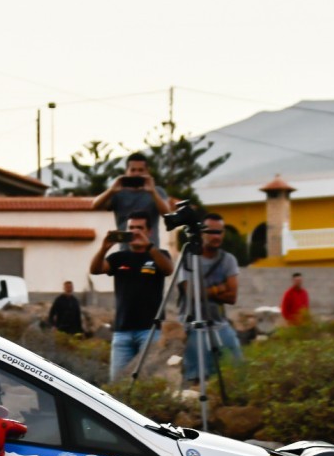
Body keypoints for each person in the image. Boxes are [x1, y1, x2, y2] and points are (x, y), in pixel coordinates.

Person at [89, 211, 172, 382]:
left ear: (149, 231)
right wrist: (104, 248)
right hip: (122, 331)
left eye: (139, 228)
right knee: (117, 383)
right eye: (131, 228)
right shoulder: (119, 257)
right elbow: (95, 269)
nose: (134, 232)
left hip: (150, 331)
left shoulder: (159, 254)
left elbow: (168, 269)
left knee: (147, 381)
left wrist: (149, 247)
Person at [177, 212, 243, 382]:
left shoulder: (228, 260)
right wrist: (219, 288)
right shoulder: (188, 258)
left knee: (236, 369)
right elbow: (191, 294)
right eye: (211, 232)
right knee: (197, 378)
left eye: (219, 232)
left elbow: (232, 297)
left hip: (219, 323)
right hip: (192, 324)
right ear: (201, 233)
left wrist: (205, 292)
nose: (216, 236)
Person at [91, 152, 171, 249]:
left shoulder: (157, 191)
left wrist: (152, 192)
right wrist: (111, 190)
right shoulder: (118, 193)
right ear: (126, 171)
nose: (136, 173)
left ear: (147, 171)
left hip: (151, 250)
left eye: (141, 170)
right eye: (133, 170)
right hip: (125, 250)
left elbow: (167, 214)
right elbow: (95, 205)